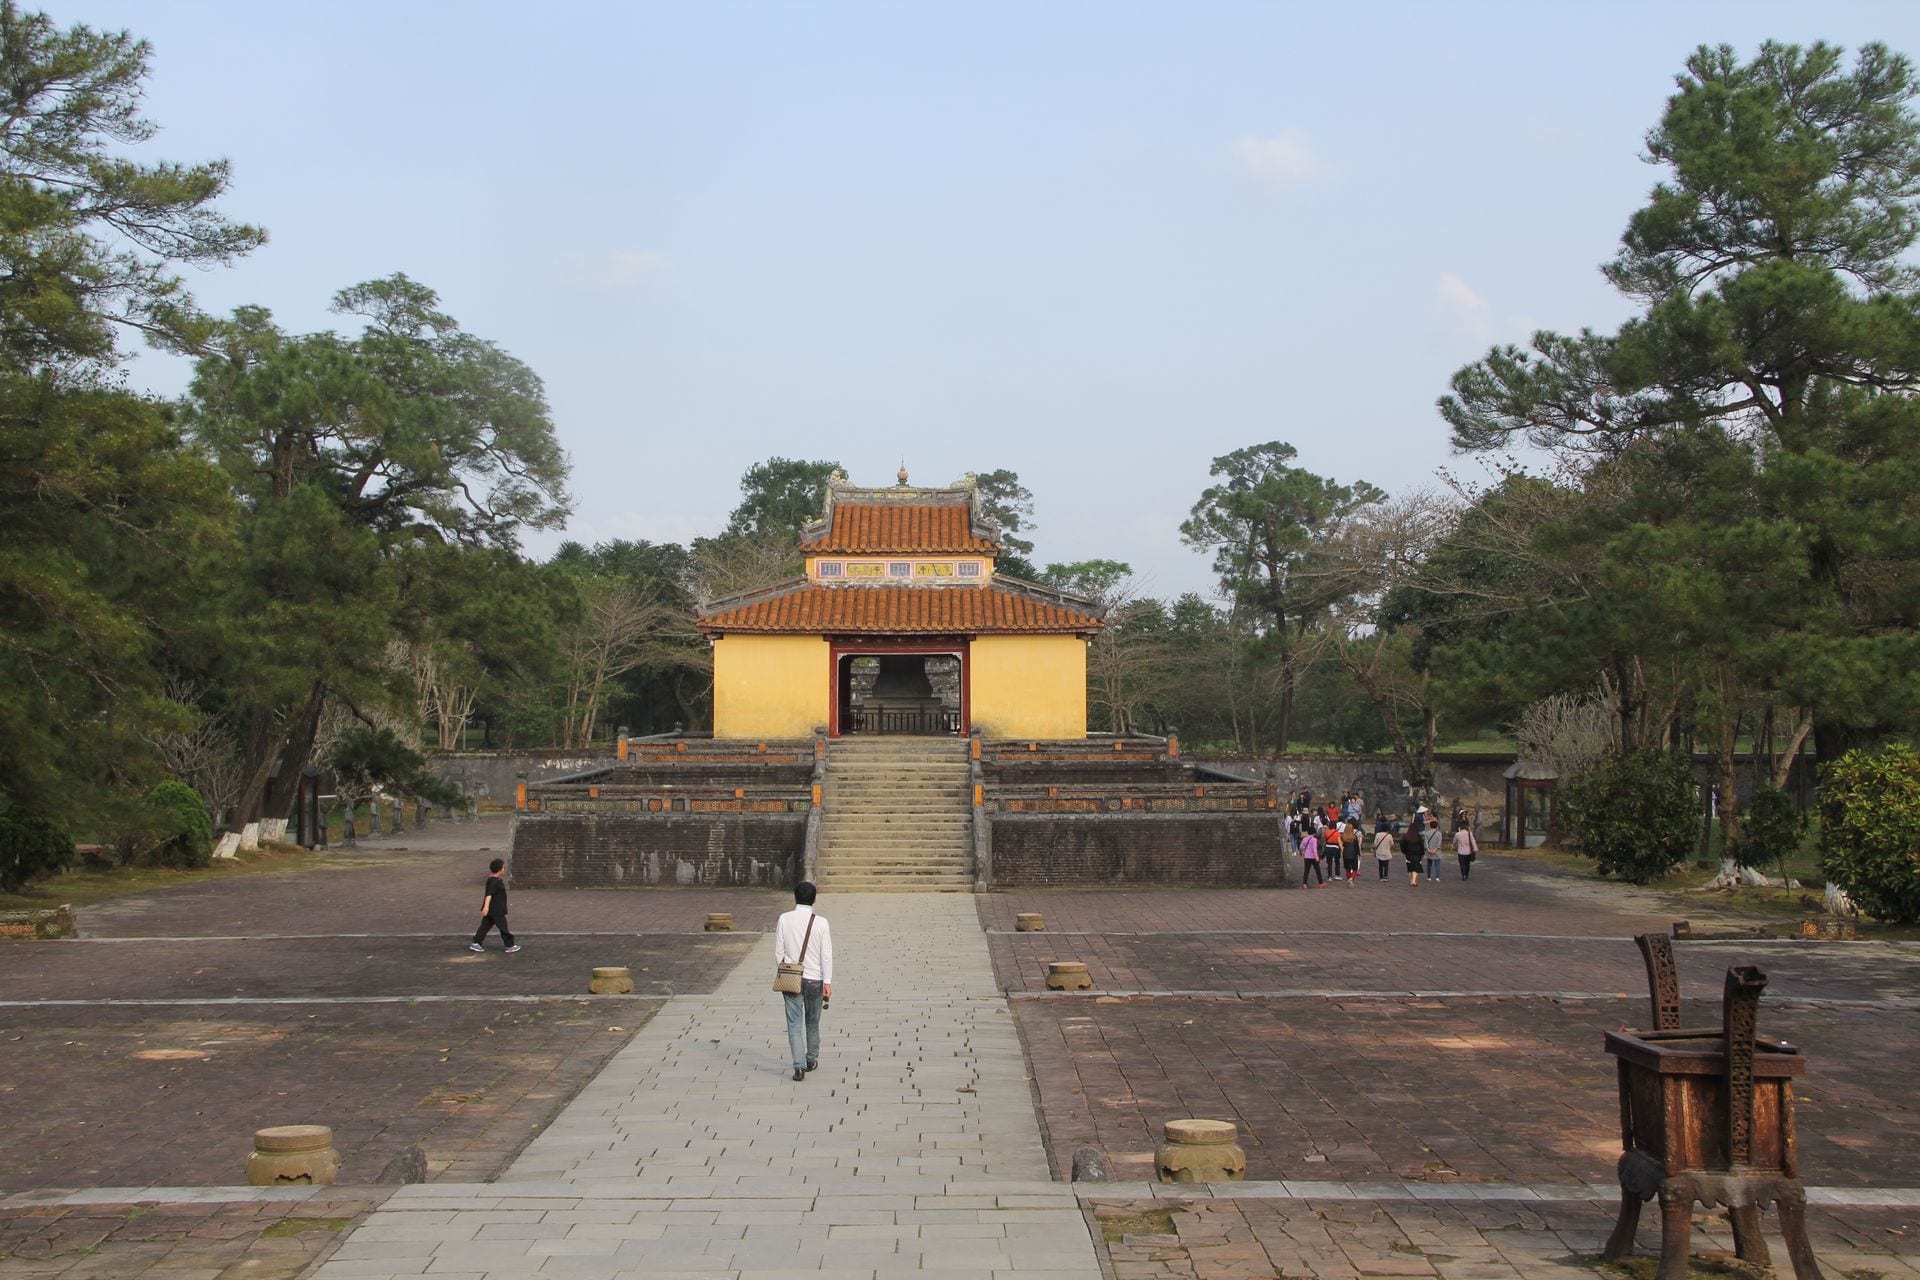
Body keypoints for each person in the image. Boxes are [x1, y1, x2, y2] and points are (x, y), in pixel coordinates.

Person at [775, 881, 833, 1082]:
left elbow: (779, 952)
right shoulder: (822, 922)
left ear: (795, 897)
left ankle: (798, 1066)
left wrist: (784, 969)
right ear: (814, 899)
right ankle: (811, 1059)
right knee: (812, 1022)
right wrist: (827, 981)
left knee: (794, 1024)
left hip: (791, 977)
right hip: (815, 979)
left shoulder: (784, 919)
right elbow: (826, 955)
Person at [470, 857, 518, 953]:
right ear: (499, 870)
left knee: (485, 926)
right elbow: (489, 895)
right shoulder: (494, 881)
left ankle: (476, 942)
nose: (504, 869)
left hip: (494, 909)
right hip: (496, 909)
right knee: (503, 927)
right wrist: (486, 907)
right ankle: (509, 945)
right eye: (503, 868)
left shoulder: (494, 880)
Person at [1400, 820, 1424, 886]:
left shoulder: (1405, 836)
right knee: (1416, 867)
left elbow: (1402, 845)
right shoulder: (1418, 837)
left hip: (1408, 854)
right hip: (1417, 854)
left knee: (1410, 867)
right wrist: (1422, 853)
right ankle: (1414, 881)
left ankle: (1411, 881)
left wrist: (1404, 851)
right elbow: (1422, 846)